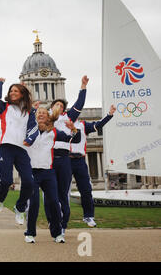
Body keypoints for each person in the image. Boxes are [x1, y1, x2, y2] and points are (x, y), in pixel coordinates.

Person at [24, 106, 81, 244]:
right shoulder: (28, 131)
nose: (42, 115)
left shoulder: (54, 132)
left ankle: (57, 233)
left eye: (44, 113)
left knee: (55, 203)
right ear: (35, 116)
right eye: (39, 113)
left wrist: (73, 129)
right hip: (32, 172)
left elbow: (74, 139)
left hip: (48, 172)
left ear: (48, 117)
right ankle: (30, 233)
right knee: (34, 204)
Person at [0, 78, 38, 225]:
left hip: (22, 150)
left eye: (16, 91)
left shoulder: (29, 112)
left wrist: (29, 139)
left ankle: (20, 208)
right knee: (6, 181)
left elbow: (34, 129)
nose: (12, 93)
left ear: (22, 94)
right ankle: (0, 199)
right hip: (6, 147)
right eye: (11, 91)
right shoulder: (4, 107)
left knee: (29, 182)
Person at [45, 75, 88, 233]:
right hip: (48, 158)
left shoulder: (68, 118)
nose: (59, 107)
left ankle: (63, 224)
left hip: (64, 158)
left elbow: (79, 104)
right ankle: (52, 222)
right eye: (57, 104)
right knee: (49, 195)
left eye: (62, 105)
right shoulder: (45, 118)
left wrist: (83, 87)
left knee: (63, 194)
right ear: (51, 107)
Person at [70, 105, 116, 227]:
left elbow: (98, 125)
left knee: (86, 190)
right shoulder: (60, 125)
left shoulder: (83, 125)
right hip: (65, 160)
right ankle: (59, 219)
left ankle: (88, 216)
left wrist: (109, 115)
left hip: (79, 160)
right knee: (62, 192)